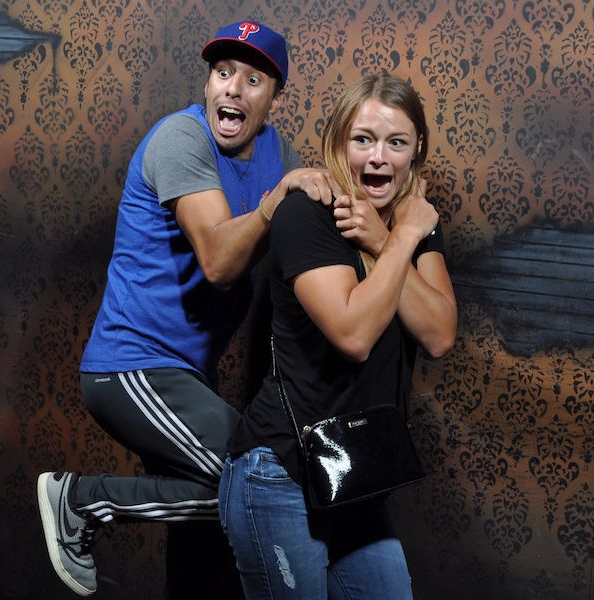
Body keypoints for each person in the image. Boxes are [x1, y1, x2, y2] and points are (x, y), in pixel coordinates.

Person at [36, 20, 338, 598]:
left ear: (275, 97)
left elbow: (310, 227)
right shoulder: (182, 139)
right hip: (132, 368)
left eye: (253, 80)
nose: (233, 89)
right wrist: (280, 201)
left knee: (217, 533)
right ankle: (79, 500)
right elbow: (222, 264)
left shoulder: (277, 152)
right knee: (261, 482)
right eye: (223, 74)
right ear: (207, 84)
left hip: (188, 378)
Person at [218, 73, 458, 599]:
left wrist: (389, 234)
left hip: (356, 479)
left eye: (396, 142)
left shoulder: (416, 220)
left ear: (417, 149)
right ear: (337, 142)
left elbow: (439, 333)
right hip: (281, 474)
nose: (378, 158)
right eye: (363, 139)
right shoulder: (308, 212)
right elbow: (354, 334)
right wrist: (398, 240)